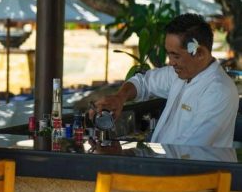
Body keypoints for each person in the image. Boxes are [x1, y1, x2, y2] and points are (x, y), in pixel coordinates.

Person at [95, 13, 238, 147]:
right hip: (165, 162)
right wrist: (120, 97)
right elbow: (143, 82)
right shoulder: (179, 74)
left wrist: (132, 154)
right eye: (169, 54)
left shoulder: (219, 91)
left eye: (176, 56)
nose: (171, 62)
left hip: (187, 165)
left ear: (200, 53)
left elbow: (187, 149)